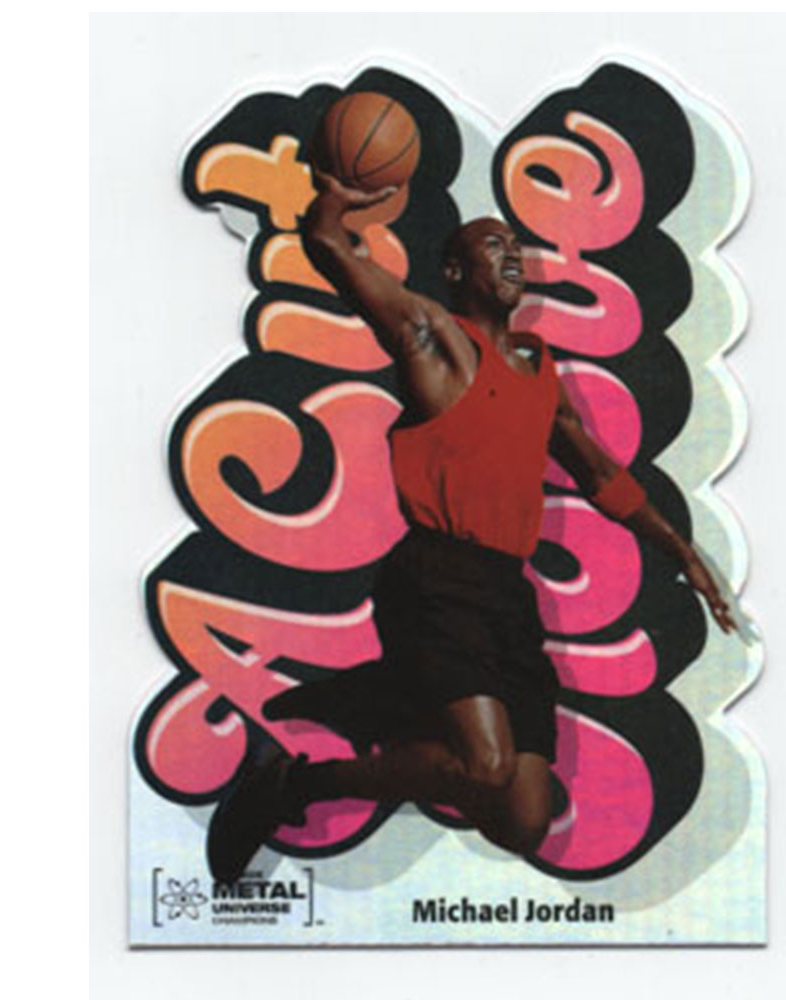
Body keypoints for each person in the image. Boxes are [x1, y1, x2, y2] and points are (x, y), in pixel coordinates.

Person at [206, 172, 735, 883]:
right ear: (455, 271)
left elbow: (600, 473)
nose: (512, 255)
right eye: (493, 246)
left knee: (522, 818)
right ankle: (295, 784)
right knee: (483, 766)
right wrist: (338, 199)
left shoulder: (538, 369)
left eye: (516, 246)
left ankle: (388, 695)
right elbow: (328, 245)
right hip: (437, 576)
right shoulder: (432, 337)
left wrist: (681, 550)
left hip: (507, 592)